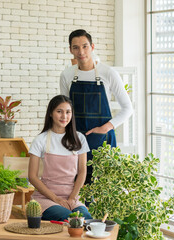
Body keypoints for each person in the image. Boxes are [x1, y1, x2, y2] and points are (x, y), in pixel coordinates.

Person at [60, 29, 133, 185]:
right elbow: (66, 112)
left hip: (103, 141)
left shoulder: (108, 73)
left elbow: (128, 108)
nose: (81, 52)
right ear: (70, 50)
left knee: (103, 190)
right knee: (77, 187)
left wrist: (105, 128)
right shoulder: (66, 75)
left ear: (92, 47)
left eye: (85, 46)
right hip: (76, 140)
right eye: (76, 47)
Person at [28, 95, 92, 221]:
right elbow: (32, 177)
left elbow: (82, 171)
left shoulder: (79, 139)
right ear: (51, 113)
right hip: (46, 198)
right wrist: (56, 199)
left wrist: (72, 198)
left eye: (68, 112)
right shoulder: (41, 140)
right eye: (59, 111)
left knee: (86, 219)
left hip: (72, 197)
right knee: (70, 220)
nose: (64, 116)